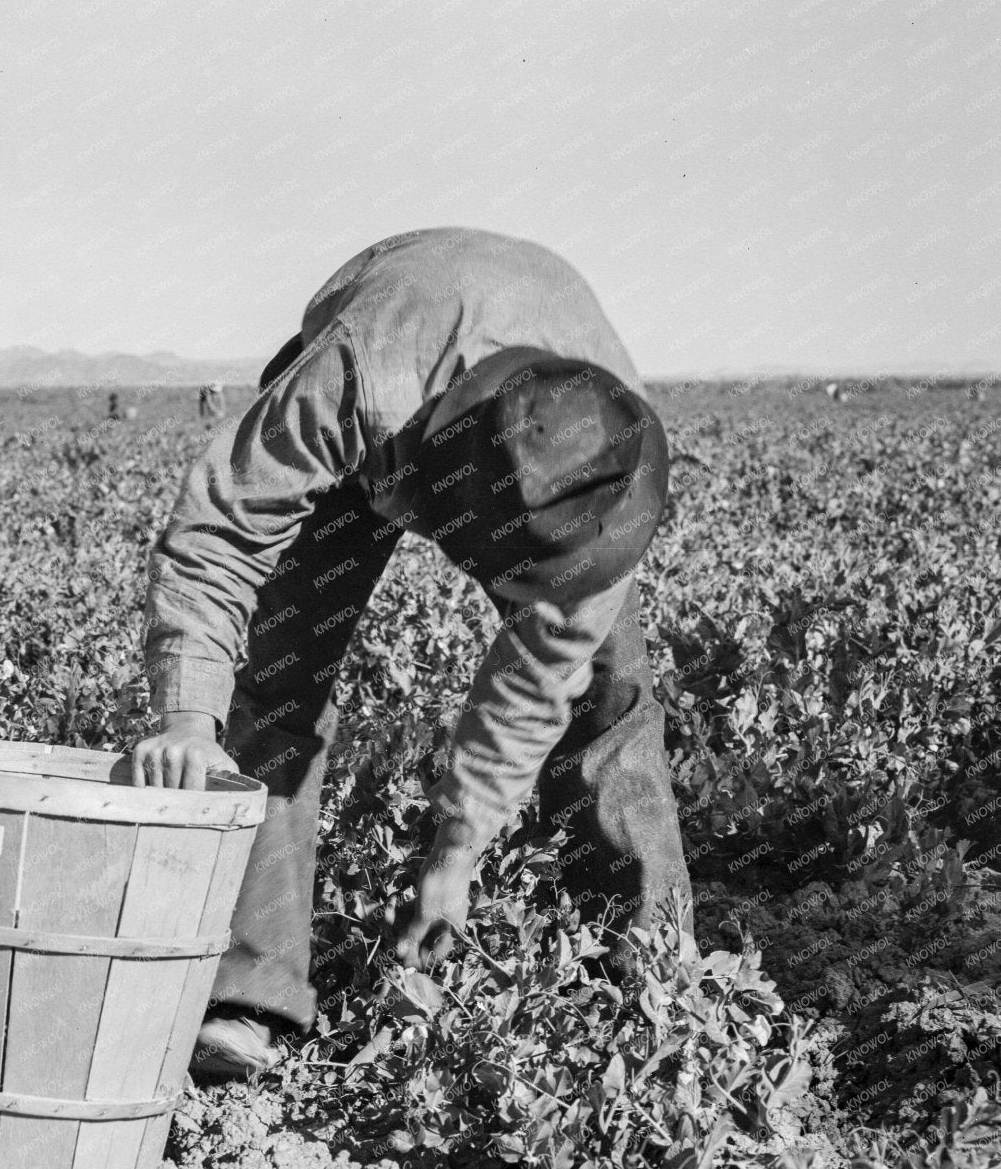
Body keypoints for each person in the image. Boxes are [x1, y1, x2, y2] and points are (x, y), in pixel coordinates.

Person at [130, 228, 689, 1078]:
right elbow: (221, 531)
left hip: (521, 403)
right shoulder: (358, 377)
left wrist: (458, 851)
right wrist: (186, 719)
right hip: (394, 361)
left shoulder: (601, 487)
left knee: (610, 692)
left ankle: (657, 984)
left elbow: (537, 681)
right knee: (280, 662)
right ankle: (249, 985)